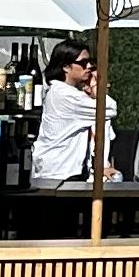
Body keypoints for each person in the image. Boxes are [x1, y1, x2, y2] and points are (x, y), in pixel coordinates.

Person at [26, 47, 108, 192]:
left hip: (58, 173)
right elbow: (108, 108)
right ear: (65, 67)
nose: (89, 67)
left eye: (89, 62)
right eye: (83, 63)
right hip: (61, 177)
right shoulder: (66, 95)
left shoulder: (62, 92)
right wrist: (95, 85)